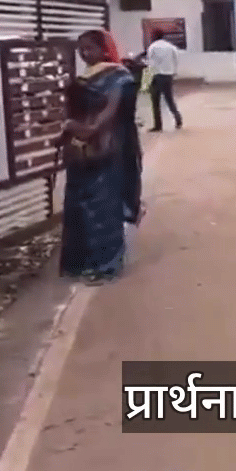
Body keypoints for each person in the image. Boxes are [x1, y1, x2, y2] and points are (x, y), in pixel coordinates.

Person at [59, 29, 143, 284]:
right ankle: (82, 263)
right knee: (79, 207)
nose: (85, 54)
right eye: (81, 49)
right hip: (81, 151)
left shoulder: (119, 78)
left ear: (104, 49)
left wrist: (82, 128)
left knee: (104, 207)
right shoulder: (86, 77)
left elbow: (108, 115)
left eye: (90, 48)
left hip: (108, 149)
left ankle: (107, 266)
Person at [145, 29, 183, 132]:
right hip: (168, 75)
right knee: (169, 99)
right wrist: (174, 72)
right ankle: (178, 118)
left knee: (155, 101)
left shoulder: (152, 47)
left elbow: (150, 63)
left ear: (153, 36)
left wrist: (145, 81)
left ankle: (158, 125)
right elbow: (176, 60)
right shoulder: (171, 47)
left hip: (156, 76)